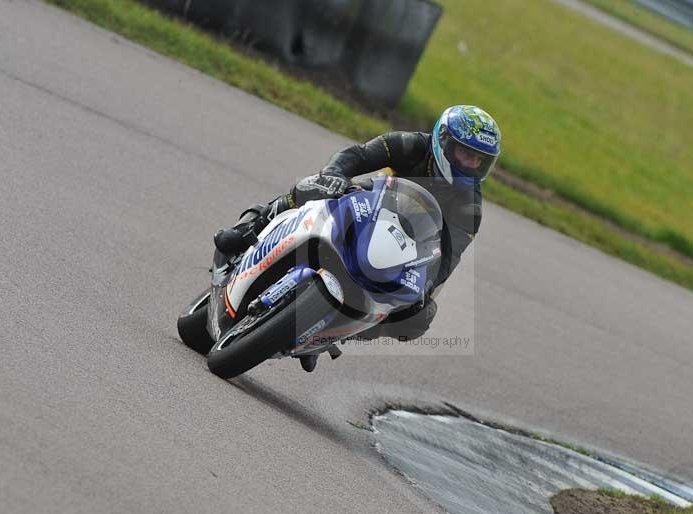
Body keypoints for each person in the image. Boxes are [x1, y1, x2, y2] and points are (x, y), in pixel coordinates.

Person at [214, 105, 501, 355]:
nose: (471, 165)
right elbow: (357, 155)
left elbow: (446, 260)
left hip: (406, 249)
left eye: (479, 160)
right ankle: (251, 226)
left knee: (417, 319)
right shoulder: (410, 145)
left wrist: (423, 288)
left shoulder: (469, 206)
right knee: (310, 186)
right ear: (443, 141)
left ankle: (328, 333)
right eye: (465, 153)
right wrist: (334, 175)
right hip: (368, 204)